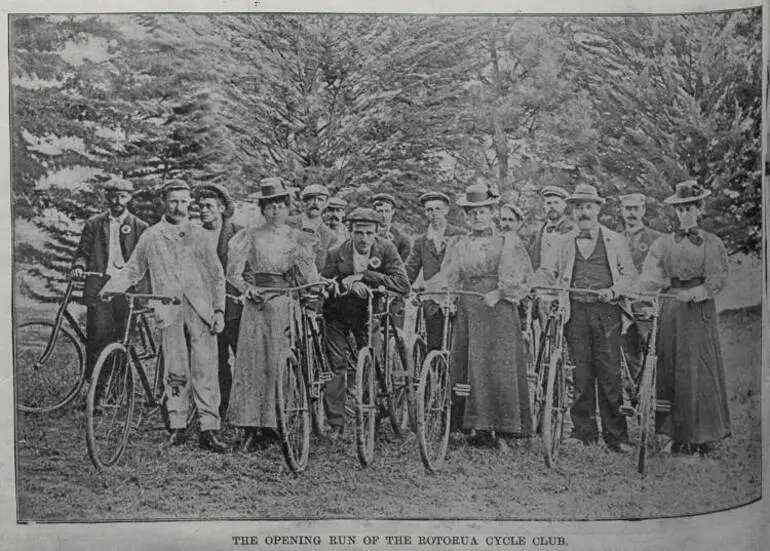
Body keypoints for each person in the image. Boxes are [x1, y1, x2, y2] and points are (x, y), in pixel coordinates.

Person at [100, 180, 228, 453]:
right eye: (173, 201)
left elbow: (217, 276)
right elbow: (133, 270)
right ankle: (178, 427)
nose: (178, 206)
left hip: (201, 310)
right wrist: (111, 289)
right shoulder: (152, 235)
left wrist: (219, 310)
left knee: (205, 369)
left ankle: (209, 429)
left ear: (189, 203)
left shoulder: (200, 234)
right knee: (174, 369)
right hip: (168, 309)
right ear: (163, 202)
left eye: (183, 201)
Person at [426, 183, 534, 449]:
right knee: (469, 364)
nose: (477, 217)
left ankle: (502, 429)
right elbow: (450, 274)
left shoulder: (508, 242)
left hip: (498, 309)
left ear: (491, 212)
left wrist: (499, 293)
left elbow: (521, 276)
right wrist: (433, 291)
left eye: (482, 211)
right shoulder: (459, 243)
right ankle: (473, 426)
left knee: (497, 366)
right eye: (471, 212)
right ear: (465, 216)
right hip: (469, 308)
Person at [534, 183, 637, 453]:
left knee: (609, 374)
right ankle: (583, 432)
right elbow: (546, 271)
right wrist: (545, 292)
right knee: (580, 373)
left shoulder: (615, 240)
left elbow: (630, 276)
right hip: (575, 311)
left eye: (588, 207)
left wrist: (614, 291)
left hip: (607, 313)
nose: (583, 212)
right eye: (578, 207)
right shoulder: (563, 242)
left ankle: (616, 437)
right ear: (573, 210)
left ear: (598, 209)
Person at [630, 180, 730, 456]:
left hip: (698, 311)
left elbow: (718, 278)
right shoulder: (663, 243)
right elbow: (652, 274)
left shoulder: (711, 243)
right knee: (670, 367)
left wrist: (698, 292)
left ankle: (702, 437)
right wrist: (639, 287)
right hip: (671, 310)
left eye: (690, 208)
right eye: (680, 209)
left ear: (699, 209)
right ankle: (675, 434)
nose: (684, 213)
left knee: (696, 370)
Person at [226, 177, 319, 453]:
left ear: (288, 208)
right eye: (270, 206)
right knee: (252, 363)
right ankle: (249, 426)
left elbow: (307, 273)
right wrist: (247, 288)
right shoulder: (249, 236)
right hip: (256, 305)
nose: (275, 211)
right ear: (262, 209)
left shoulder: (296, 238)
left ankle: (275, 423)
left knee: (279, 362)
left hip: (283, 305)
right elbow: (233, 272)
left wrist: (311, 283)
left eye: (280, 205)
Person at [321, 207, 410, 440]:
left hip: (370, 314)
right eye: (359, 233)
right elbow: (325, 283)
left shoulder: (387, 249)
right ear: (350, 231)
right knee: (335, 365)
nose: (364, 239)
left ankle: (374, 414)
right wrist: (344, 285)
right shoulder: (335, 252)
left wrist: (366, 276)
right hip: (338, 314)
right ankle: (336, 423)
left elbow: (402, 284)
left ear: (377, 232)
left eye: (369, 233)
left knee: (372, 362)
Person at [71, 178, 150, 381]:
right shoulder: (94, 224)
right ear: (107, 197)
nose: (118, 200)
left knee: (122, 342)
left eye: (122, 196)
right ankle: (96, 393)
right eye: (114, 196)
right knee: (96, 341)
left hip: (127, 293)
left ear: (129, 198)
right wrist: (79, 267)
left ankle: (116, 392)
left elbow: (146, 263)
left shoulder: (140, 227)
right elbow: (82, 253)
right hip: (99, 290)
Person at [193, 183, 243, 421]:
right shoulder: (194, 235)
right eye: (200, 206)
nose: (203, 211)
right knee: (216, 361)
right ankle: (221, 408)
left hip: (236, 308)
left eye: (208, 206)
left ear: (221, 208)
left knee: (243, 359)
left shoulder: (239, 234)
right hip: (206, 309)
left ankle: (244, 413)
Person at [404, 191, 463, 350]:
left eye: (438, 209)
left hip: (457, 297)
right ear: (425, 212)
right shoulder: (421, 241)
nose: (434, 213)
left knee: (458, 344)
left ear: (446, 210)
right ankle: (434, 372)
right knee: (434, 344)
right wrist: (402, 286)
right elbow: (410, 269)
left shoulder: (460, 235)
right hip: (433, 299)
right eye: (430, 210)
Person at [618, 193, 663, 391]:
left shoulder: (656, 239)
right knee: (623, 352)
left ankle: (649, 394)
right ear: (622, 211)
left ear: (643, 210)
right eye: (628, 209)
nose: (632, 213)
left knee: (650, 350)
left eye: (636, 208)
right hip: (621, 304)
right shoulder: (614, 238)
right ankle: (631, 394)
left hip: (646, 304)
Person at [288, 183, 340, 271]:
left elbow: (322, 267)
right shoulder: (288, 223)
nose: (315, 203)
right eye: (311, 199)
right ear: (304, 202)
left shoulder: (330, 236)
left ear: (326, 204)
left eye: (320, 199)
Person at [528, 186, 575, 270]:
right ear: (544, 207)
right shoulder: (537, 232)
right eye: (548, 203)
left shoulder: (573, 230)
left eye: (556, 202)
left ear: (565, 206)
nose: (552, 206)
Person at [372, 193, 411, 261]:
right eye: (380, 211)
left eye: (387, 211)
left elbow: (401, 267)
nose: (384, 215)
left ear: (393, 211)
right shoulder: (366, 235)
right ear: (374, 212)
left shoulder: (403, 241)